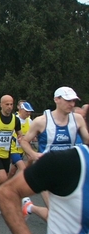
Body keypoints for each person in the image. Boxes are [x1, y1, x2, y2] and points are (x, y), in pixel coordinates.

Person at [0, 132, 89, 234]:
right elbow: (7, 193)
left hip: (57, 184)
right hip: (42, 165)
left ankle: (29, 207)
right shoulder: (69, 160)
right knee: (6, 176)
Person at [20, 87, 89, 220]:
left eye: (74, 101)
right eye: (68, 100)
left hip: (69, 171)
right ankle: (30, 207)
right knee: (56, 215)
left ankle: (28, 207)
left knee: (71, 215)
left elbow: (86, 140)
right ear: (56, 99)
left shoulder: (78, 119)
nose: (72, 104)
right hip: (47, 171)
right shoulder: (41, 121)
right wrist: (33, 155)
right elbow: (24, 141)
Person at [8, 102, 34, 178]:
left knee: (13, 172)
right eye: (26, 111)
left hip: (23, 150)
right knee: (23, 169)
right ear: (21, 110)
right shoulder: (14, 119)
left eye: (30, 111)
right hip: (13, 150)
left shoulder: (30, 121)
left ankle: (5, 184)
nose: (28, 113)